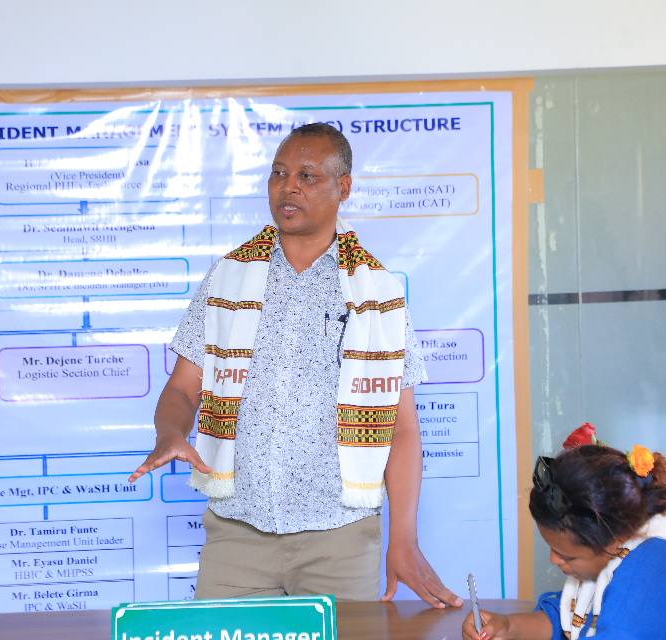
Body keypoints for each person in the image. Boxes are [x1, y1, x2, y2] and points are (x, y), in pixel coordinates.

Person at [129, 122, 461, 607]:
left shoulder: (378, 293)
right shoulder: (227, 279)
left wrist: (404, 538)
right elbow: (182, 389)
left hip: (341, 540)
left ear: (343, 187)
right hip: (238, 534)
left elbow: (402, 428)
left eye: (307, 176)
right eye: (279, 173)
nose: (289, 187)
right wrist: (170, 432)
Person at [462, 424, 666, 639]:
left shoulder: (645, 579)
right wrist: (509, 628)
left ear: (615, 538)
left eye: (567, 555)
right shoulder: (644, 540)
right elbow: (573, 616)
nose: (554, 560)